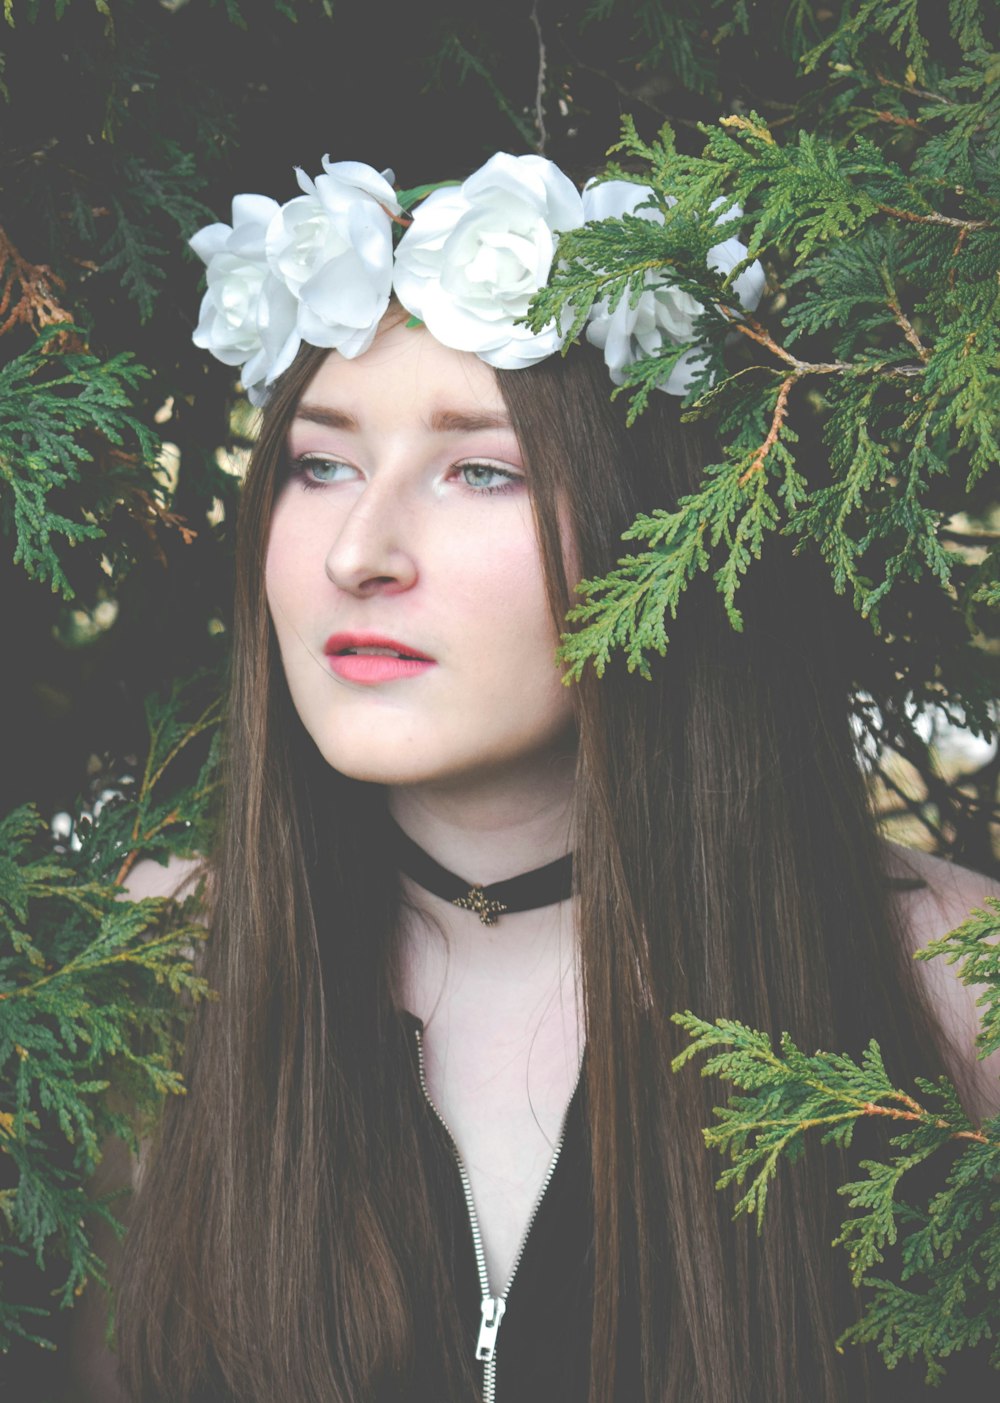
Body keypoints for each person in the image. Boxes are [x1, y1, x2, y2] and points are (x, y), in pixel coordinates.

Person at [71, 155, 999, 1403]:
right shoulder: (158, 968)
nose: (360, 550)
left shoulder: (953, 980)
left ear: (657, 523)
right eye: (320, 462)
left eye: (482, 470)